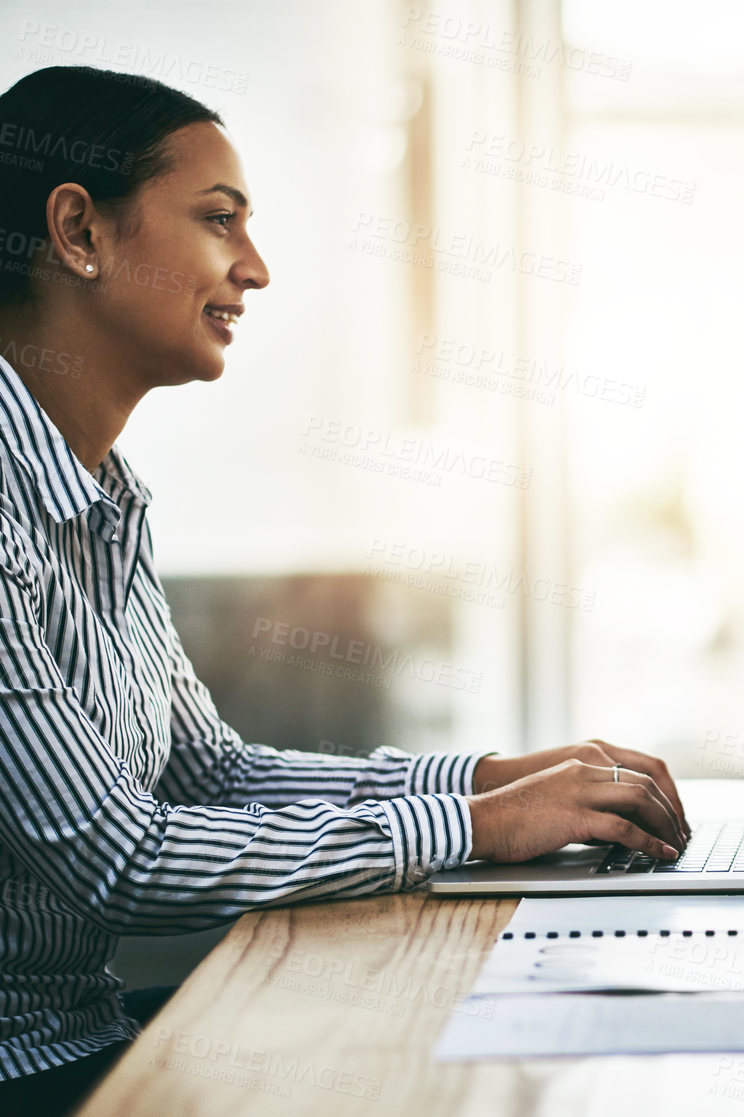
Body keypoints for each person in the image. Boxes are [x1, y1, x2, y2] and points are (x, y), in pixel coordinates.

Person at [0, 67, 692, 1113]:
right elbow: (123, 857)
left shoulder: (106, 500)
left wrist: (490, 782)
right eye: (219, 220)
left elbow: (210, 776)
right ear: (79, 231)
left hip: (92, 1037)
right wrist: (478, 827)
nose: (257, 268)